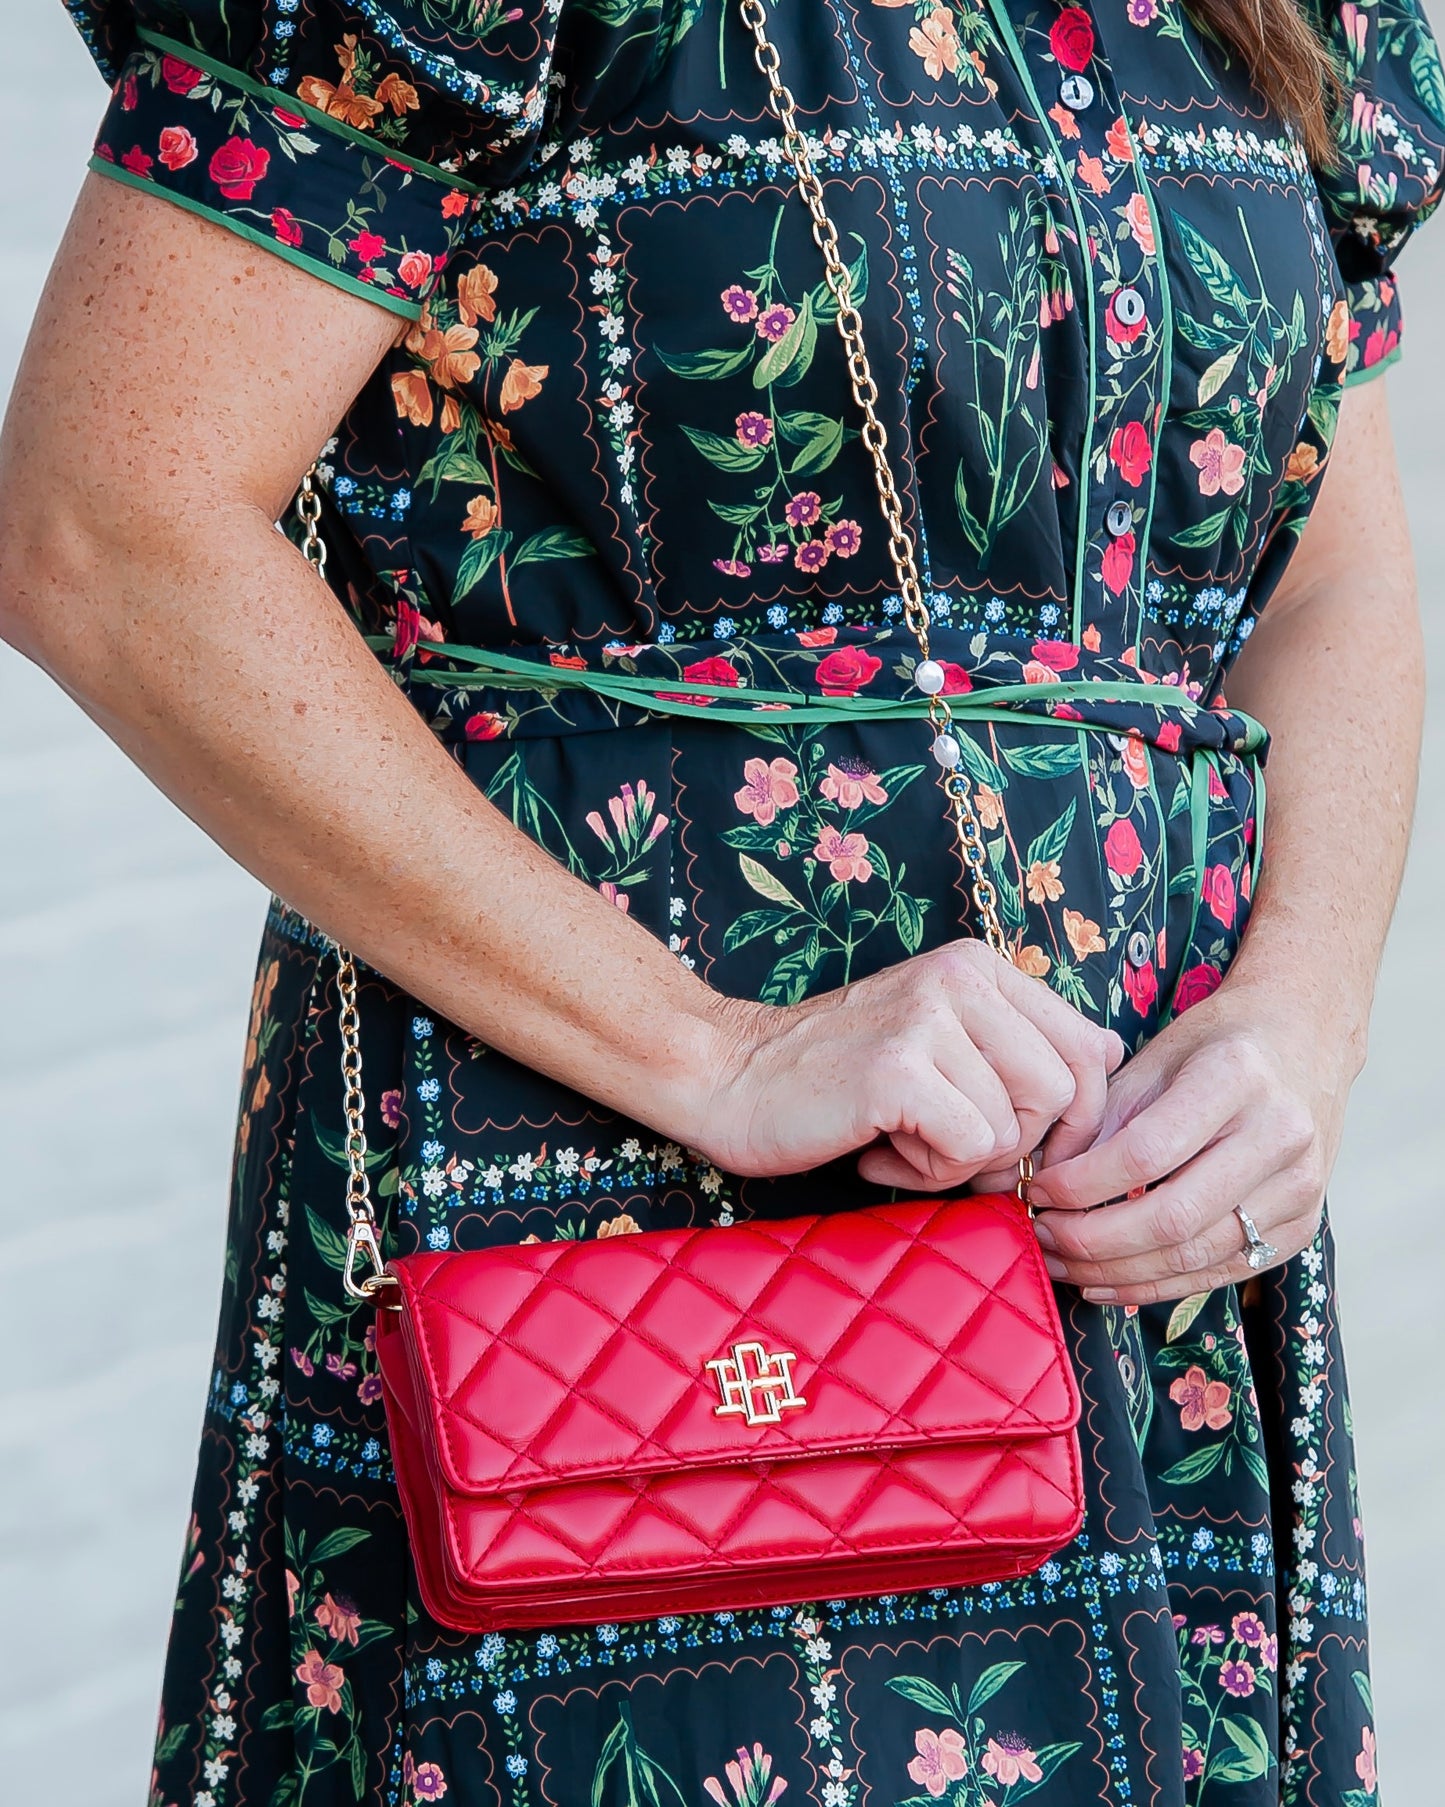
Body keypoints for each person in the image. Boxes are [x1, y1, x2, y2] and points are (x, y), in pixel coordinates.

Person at [2, 0, 1440, 1800]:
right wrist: (717, 1053)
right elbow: (107, 528)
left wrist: (1302, 1016)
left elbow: (1329, 583)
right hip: (603, 1197)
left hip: (1134, 1267)